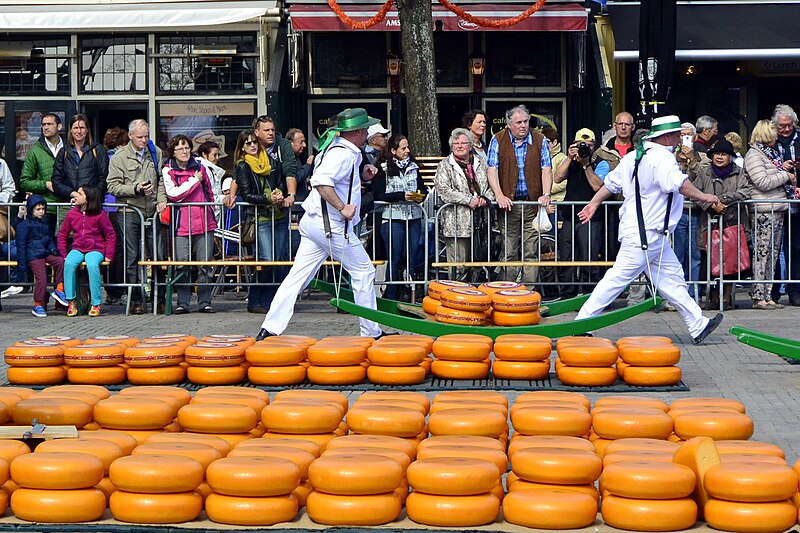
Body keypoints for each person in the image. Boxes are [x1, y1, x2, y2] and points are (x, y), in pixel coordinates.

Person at [575, 115, 723, 345]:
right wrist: (706, 197)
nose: (679, 139)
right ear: (666, 137)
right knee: (617, 278)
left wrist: (594, 203)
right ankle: (582, 322)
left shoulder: (634, 157)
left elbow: (611, 184)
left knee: (672, 279)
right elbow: (678, 183)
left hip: (648, 234)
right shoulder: (662, 158)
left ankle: (698, 324)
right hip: (646, 234)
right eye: (677, 135)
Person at [256, 107, 388, 340]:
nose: (368, 131)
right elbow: (321, 182)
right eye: (365, 128)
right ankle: (371, 332)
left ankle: (270, 328)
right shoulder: (344, 154)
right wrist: (342, 207)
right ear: (356, 132)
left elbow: (333, 179)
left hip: (315, 222)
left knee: (297, 276)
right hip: (331, 226)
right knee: (363, 271)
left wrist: (362, 176)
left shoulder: (338, 150)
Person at [486, 104, 553, 287]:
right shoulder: (497, 140)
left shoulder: (539, 140)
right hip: (509, 205)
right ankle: (507, 291)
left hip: (532, 205)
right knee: (509, 250)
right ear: (509, 124)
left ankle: (529, 290)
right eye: (518, 122)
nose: (523, 126)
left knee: (531, 250)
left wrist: (546, 194)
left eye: (525, 121)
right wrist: (499, 195)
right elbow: (492, 170)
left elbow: (546, 169)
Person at [106, 119, 167, 315]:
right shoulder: (119, 157)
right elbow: (112, 186)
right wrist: (135, 188)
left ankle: (160, 297)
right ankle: (136, 299)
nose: (143, 140)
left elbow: (161, 180)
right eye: (139, 137)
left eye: (146, 136)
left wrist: (161, 200)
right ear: (130, 136)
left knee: (157, 255)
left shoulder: (155, 152)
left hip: (152, 210)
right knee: (132, 256)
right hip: (130, 211)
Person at [691, 140, 752, 310]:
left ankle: (726, 298)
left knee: (731, 263)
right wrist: (711, 204)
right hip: (708, 225)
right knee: (709, 263)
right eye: (717, 154)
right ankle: (712, 298)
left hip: (732, 223)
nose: (719, 157)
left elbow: (745, 192)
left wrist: (724, 200)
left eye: (723, 154)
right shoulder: (704, 172)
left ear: (730, 157)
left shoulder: (739, 172)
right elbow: (694, 194)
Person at [163, 135, 218, 314]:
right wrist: (194, 180)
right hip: (181, 224)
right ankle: (183, 302)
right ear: (173, 152)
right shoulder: (168, 170)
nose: (184, 152)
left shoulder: (201, 167)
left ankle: (204, 301)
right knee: (182, 264)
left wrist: (213, 215)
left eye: (187, 148)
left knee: (205, 264)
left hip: (204, 222)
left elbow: (210, 193)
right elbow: (174, 195)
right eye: (180, 149)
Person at [744, 119, 795, 310]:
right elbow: (762, 182)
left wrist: (784, 169)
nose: (777, 138)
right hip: (763, 210)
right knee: (762, 254)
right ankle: (758, 296)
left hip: (776, 208)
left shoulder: (769, 154)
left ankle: (767, 294)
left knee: (772, 255)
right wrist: (785, 176)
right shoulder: (754, 155)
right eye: (773, 135)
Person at [232, 129, 285, 314]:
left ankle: (270, 301)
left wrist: (280, 193)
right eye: (248, 143)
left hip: (278, 214)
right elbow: (246, 195)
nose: (253, 145)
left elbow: (279, 181)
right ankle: (256, 300)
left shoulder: (271, 162)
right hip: (260, 217)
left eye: (255, 142)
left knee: (277, 261)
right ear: (242, 147)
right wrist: (269, 199)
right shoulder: (242, 165)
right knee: (266, 261)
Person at [553, 128, 610, 297]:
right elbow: (557, 178)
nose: (584, 148)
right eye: (580, 145)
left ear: (594, 145)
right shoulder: (571, 161)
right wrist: (570, 158)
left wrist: (586, 165)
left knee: (589, 257)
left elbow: (596, 186)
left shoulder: (601, 163)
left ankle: (588, 293)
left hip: (591, 218)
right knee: (566, 257)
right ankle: (567, 293)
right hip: (570, 216)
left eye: (588, 145)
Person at [434, 127, 494, 282]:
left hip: (480, 223)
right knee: (458, 265)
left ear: (471, 145)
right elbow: (443, 190)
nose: (459, 146)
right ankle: (456, 294)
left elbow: (492, 186)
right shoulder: (445, 165)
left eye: (463, 143)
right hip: (456, 224)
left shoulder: (482, 163)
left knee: (478, 263)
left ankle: (474, 293)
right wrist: (468, 200)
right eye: (456, 143)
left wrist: (484, 198)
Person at [372, 134, 427, 300]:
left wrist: (420, 196)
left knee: (411, 256)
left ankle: (409, 294)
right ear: (393, 150)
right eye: (403, 148)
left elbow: (423, 189)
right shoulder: (383, 169)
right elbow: (378, 194)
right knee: (394, 257)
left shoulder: (413, 167)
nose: (407, 151)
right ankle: (391, 295)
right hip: (392, 217)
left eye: (408, 147)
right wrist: (400, 195)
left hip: (414, 216)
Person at [58, 186, 115, 317]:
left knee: (92, 265)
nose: (75, 196)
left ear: (87, 198)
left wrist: (108, 255)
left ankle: (96, 303)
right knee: (69, 264)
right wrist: (64, 254)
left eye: (79, 194)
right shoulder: (72, 214)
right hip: (77, 248)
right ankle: (71, 301)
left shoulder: (100, 214)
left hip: (96, 249)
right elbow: (62, 234)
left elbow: (110, 234)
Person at [14, 194, 68, 317]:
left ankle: (59, 289)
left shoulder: (44, 224)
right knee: (42, 278)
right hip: (33, 255)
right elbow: (21, 246)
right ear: (31, 209)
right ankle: (38, 303)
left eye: (43, 209)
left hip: (43, 252)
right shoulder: (24, 225)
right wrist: (22, 265)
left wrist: (53, 249)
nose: (41, 212)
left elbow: (48, 240)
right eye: (38, 209)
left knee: (61, 262)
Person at [771, 104, 800, 305]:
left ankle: (795, 289)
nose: (786, 129)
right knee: (774, 247)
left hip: (796, 201)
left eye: (789, 125)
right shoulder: (769, 142)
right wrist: (782, 168)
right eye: (782, 126)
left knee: (796, 247)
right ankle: (772, 290)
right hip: (776, 200)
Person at [51, 114, 108, 215]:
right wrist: (73, 194)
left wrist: (87, 196)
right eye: (75, 128)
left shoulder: (98, 150)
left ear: (87, 130)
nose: (79, 131)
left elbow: (104, 179)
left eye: (82, 127)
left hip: (92, 205)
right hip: (68, 205)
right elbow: (56, 180)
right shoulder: (63, 152)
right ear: (71, 130)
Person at [673, 122, 704, 299]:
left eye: (688, 135)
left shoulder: (703, 158)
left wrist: (692, 160)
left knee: (694, 256)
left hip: (695, 212)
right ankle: (677, 295)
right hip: (678, 212)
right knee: (676, 256)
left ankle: (693, 295)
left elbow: (701, 181)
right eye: (681, 135)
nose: (684, 139)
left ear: (694, 137)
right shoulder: (671, 158)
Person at [19, 113, 64, 233]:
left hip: (67, 207)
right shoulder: (35, 151)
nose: (46, 127)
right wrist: (46, 184)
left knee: (66, 247)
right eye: (43, 124)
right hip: (44, 209)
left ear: (59, 127)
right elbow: (24, 182)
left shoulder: (68, 149)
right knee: (44, 247)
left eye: (49, 124)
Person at [101, 127, 128, 306]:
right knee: (119, 252)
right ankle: (119, 290)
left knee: (107, 252)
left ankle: (110, 290)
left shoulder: (102, 158)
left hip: (103, 209)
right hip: (117, 208)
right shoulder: (120, 159)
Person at [196, 140, 226, 212]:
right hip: (208, 210)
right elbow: (211, 193)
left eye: (218, 155)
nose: (217, 158)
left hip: (213, 209)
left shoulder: (211, 168)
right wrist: (224, 198)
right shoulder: (203, 169)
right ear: (204, 155)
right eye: (214, 155)